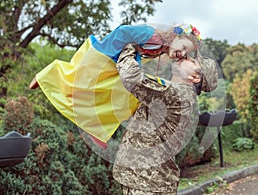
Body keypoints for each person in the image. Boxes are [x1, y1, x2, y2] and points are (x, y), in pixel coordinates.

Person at [29, 24, 203, 148]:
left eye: (185, 54)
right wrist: (121, 51)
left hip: (116, 64)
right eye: (182, 48)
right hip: (107, 55)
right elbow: (123, 31)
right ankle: (47, 74)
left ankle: (94, 126)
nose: (181, 54)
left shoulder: (160, 49)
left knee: (123, 97)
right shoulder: (152, 35)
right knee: (79, 84)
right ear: (174, 37)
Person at [112, 43, 218, 194]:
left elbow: (131, 77)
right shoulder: (178, 93)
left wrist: (129, 44)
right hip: (146, 181)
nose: (185, 56)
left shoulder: (178, 95)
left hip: (149, 184)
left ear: (195, 77)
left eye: (193, 61)